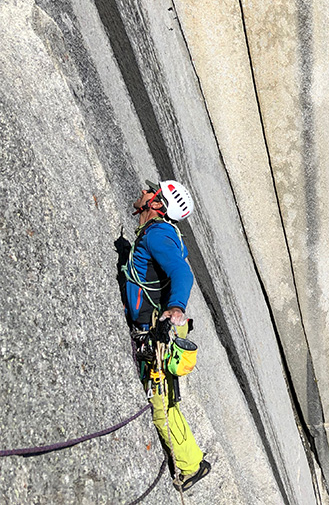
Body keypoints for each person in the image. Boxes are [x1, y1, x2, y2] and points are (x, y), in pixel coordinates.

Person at [123, 179, 210, 492]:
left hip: (159, 331)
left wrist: (173, 309)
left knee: (161, 407)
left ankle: (191, 465)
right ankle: (193, 460)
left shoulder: (158, 233)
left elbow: (182, 272)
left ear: (157, 204)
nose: (143, 191)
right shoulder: (160, 231)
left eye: (151, 190)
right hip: (163, 326)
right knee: (168, 401)